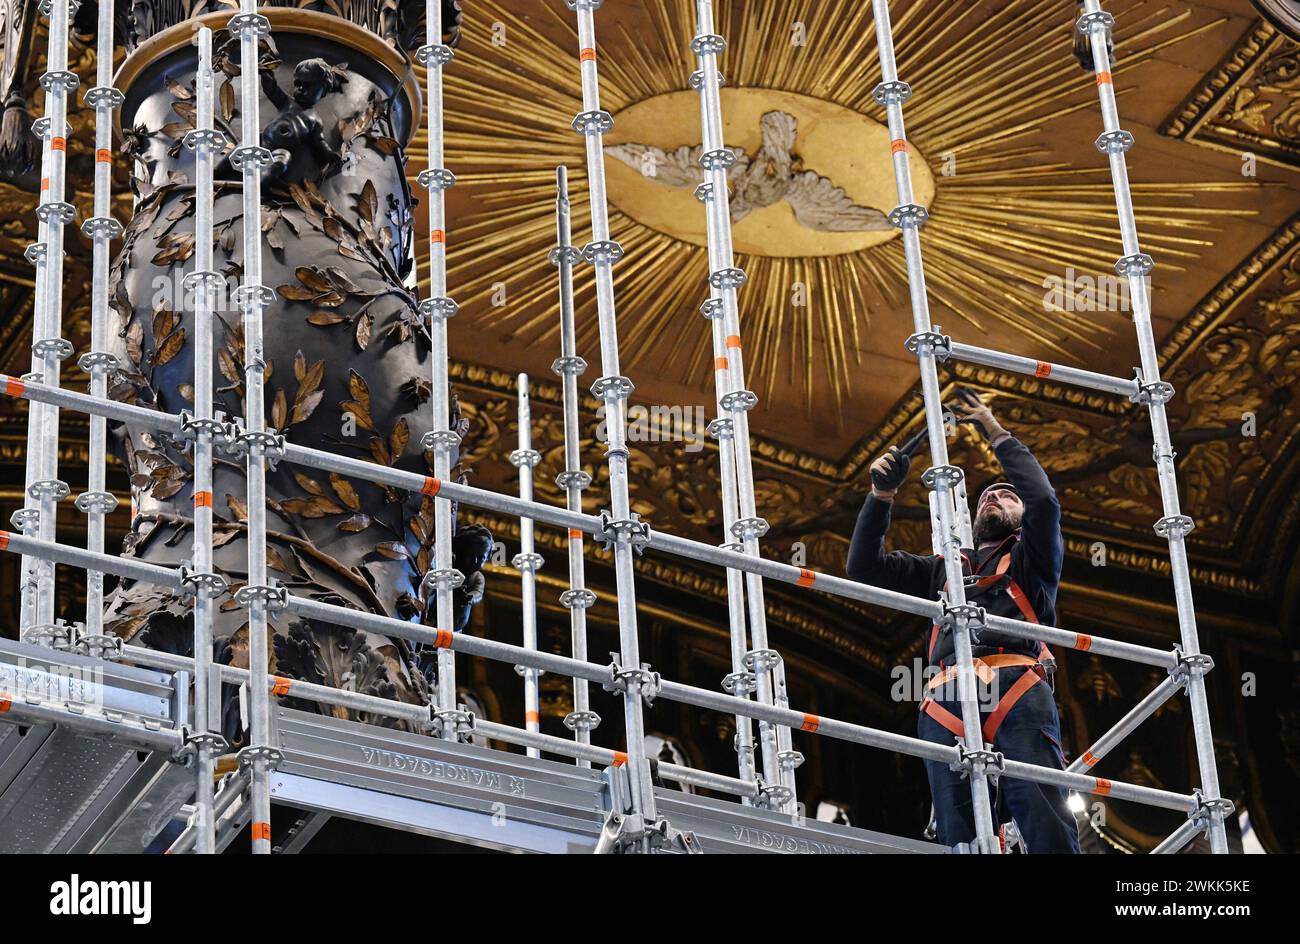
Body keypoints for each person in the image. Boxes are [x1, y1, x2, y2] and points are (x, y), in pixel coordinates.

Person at [847, 391, 1081, 853]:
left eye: (1006, 496)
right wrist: (881, 495)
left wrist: (994, 431)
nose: (994, 495)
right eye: (987, 496)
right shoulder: (944, 569)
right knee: (961, 834)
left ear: (1019, 519)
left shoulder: (1030, 561)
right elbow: (863, 569)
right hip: (946, 696)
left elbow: (1045, 503)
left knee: (1041, 812)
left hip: (1015, 686)